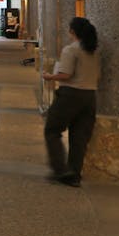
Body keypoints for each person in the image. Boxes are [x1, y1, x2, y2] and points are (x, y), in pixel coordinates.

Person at [42, 16, 101, 187]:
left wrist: (49, 77)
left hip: (71, 94)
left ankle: (60, 169)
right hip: (90, 96)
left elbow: (66, 74)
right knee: (79, 136)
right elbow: (98, 75)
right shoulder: (93, 50)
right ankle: (74, 174)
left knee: (52, 129)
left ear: (73, 32)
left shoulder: (71, 50)